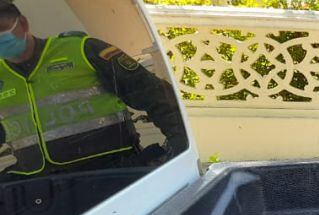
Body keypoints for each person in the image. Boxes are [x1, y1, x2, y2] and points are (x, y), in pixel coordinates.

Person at [0, 0, 186, 178]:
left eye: (2, 30)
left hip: (112, 173)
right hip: (43, 186)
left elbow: (155, 95)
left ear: (23, 23)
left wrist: (181, 146)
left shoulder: (84, 50)